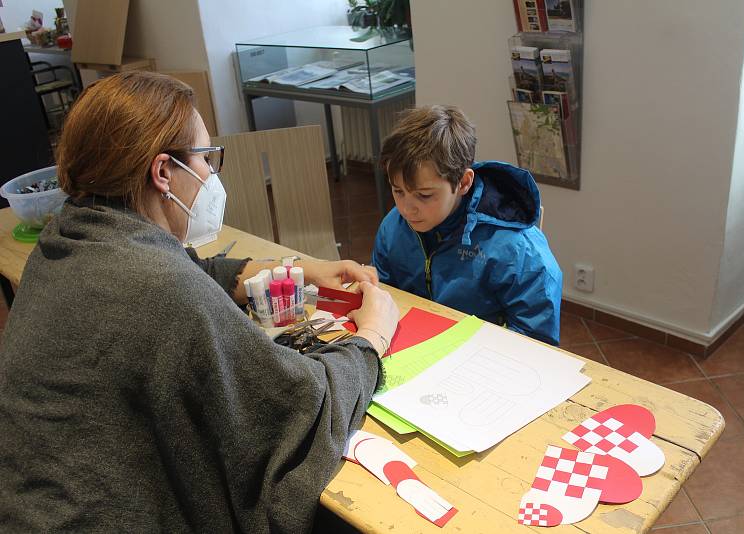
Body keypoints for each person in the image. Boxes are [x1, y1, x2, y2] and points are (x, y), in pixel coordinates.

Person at [0, 71, 399, 532]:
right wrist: (371, 338)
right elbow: (298, 403)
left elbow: (190, 272)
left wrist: (298, 268)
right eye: (207, 159)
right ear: (163, 171)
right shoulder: (158, 288)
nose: (211, 175)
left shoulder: (68, 239)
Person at [372, 105, 561, 345]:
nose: (406, 209)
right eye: (398, 191)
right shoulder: (394, 226)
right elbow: (385, 297)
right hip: (413, 350)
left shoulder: (516, 248)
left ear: (463, 183)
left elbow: (536, 342)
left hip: (481, 362)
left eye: (425, 195)